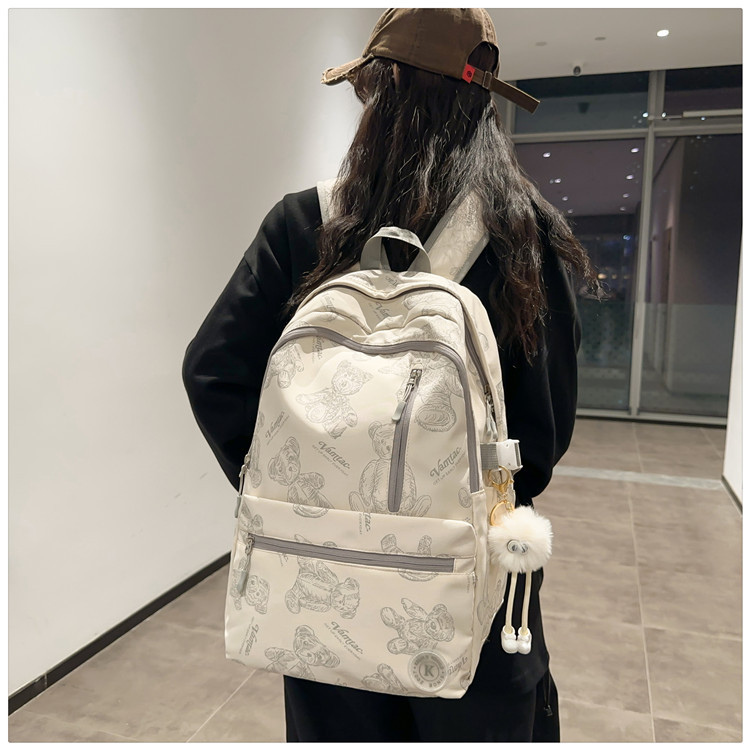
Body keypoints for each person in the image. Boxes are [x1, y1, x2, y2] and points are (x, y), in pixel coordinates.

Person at [183, 8, 601, 743]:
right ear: (483, 103)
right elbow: (543, 435)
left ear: (378, 90)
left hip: (325, 587)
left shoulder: (305, 222)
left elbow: (211, 370)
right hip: (471, 590)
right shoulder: (524, 232)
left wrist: (308, 487)